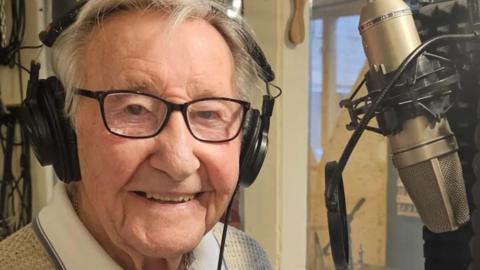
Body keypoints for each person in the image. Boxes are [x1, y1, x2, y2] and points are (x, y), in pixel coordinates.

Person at [0, 0, 277, 269]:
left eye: (208, 114)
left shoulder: (248, 259)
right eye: (135, 109)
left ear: (249, 140)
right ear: (63, 127)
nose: (178, 163)